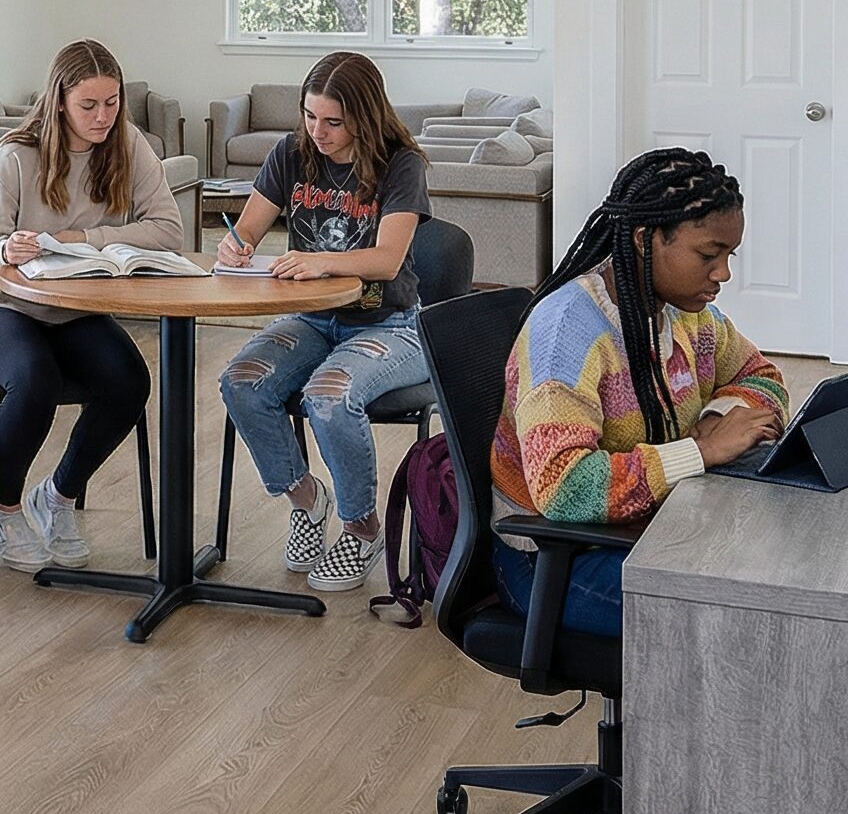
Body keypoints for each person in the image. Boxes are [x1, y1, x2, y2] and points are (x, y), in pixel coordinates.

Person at [491, 147, 787, 637]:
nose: (724, 274)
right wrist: (702, 451)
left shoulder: (689, 315)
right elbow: (564, 488)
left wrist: (715, 419)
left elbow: (762, 378)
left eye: (729, 255)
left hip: (647, 531)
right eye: (708, 255)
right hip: (556, 561)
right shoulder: (568, 331)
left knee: (775, 582)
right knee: (745, 623)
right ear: (645, 239)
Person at [0, 39, 183, 572]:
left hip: (74, 305)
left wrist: (87, 236)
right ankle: (5, 505)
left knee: (130, 380)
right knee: (34, 377)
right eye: (90, 105)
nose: (104, 117)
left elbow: (169, 229)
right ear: (60, 100)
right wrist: (3, 249)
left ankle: (58, 496)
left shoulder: (128, 144)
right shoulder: (15, 156)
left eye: (113, 103)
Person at [215, 51, 432, 593]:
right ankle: (308, 501)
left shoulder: (401, 163)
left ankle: (362, 528)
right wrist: (235, 245)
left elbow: (385, 260)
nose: (318, 132)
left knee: (329, 397)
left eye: (332, 121)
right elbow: (247, 230)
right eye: (310, 117)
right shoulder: (293, 152)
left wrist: (320, 259)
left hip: (390, 324)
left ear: (366, 114)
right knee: (239, 383)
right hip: (313, 321)